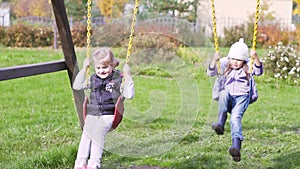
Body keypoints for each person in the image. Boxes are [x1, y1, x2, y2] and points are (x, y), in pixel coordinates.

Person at [73, 47, 134, 169]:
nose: (101, 71)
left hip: (109, 114)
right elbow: (77, 86)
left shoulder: (117, 79)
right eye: (98, 68)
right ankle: (80, 164)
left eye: (105, 67)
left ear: (112, 65)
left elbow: (129, 94)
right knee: (86, 134)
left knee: (97, 133)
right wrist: (84, 67)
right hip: (92, 113)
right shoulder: (93, 79)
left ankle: (94, 164)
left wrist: (128, 75)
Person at [207, 38, 263, 162]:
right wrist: (213, 60)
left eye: (238, 59)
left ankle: (236, 147)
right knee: (224, 92)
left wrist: (256, 57)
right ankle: (220, 123)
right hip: (227, 98)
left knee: (235, 119)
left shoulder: (249, 65)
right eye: (233, 58)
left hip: (241, 98)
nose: (235, 62)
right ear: (229, 57)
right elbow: (210, 72)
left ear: (244, 60)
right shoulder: (224, 63)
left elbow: (259, 71)